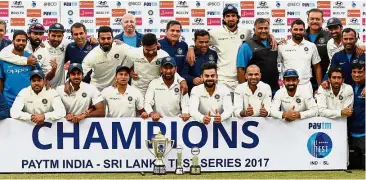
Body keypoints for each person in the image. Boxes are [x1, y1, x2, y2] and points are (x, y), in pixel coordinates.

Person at [186, 5, 276, 92]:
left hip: (241, 78)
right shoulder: (215, 33)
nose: (231, 18)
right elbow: (200, 40)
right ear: (224, 18)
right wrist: (190, 48)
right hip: (222, 80)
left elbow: (260, 34)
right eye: (227, 16)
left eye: (233, 16)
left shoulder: (246, 31)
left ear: (237, 18)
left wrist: (270, 35)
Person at [277, 19, 322, 96]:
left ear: (304, 31)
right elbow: (277, 65)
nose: (298, 32)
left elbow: (317, 67)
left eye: (301, 29)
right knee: (288, 108)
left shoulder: (311, 46)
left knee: (308, 108)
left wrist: (320, 87)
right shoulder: (282, 46)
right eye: (295, 29)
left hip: (306, 86)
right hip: (288, 86)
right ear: (291, 30)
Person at [81, 26, 133, 91]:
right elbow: (81, 73)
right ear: (98, 39)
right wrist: (69, 83)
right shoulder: (92, 55)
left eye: (109, 38)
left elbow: (136, 54)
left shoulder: (120, 47)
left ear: (113, 39)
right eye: (103, 39)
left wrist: (129, 68)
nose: (106, 41)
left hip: (114, 88)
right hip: (97, 90)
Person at [237, 18, 279, 93]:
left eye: (266, 28)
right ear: (254, 29)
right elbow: (241, 69)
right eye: (260, 28)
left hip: (274, 89)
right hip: (255, 91)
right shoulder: (246, 46)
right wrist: (244, 91)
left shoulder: (273, 42)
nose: (263, 31)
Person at [0, 30, 41, 106]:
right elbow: (1, 80)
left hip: (28, 100)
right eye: (18, 40)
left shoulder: (31, 58)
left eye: (23, 40)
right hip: (8, 100)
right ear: (13, 42)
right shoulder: (4, 59)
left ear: (26, 42)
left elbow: (40, 76)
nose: (21, 42)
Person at [145, 57, 190, 121]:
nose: (168, 71)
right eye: (165, 68)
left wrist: (185, 113)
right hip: (158, 120)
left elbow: (185, 104)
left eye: (171, 68)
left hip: (177, 121)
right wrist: (151, 113)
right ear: (161, 69)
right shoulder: (154, 83)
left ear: (176, 69)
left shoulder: (181, 85)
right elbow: (147, 102)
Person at [304, 9, 331, 91]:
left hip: (325, 81)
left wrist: (361, 46)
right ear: (307, 20)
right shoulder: (300, 35)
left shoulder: (329, 36)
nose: (314, 21)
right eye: (312, 19)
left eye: (317, 19)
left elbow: (348, 41)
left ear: (322, 21)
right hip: (303, 82)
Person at [348, 62, 365, 170]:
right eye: (354, 72)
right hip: (350, 133)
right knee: (351, 165)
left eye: (360, 72)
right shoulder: (348, 88)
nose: (357, 75)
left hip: (364, 133)